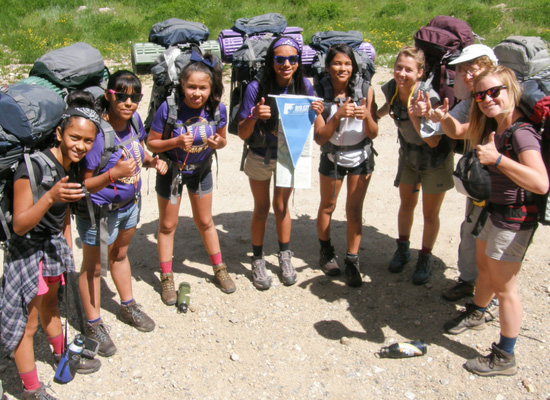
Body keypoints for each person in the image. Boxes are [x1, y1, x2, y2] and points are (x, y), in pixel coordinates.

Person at [442, 65, 548, 376]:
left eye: (494, 92)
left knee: (505, 288)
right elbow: (455, 131)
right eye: (480, 95)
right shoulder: (497, 126)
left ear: (511, 90)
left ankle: (505, 356)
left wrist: (498, 159)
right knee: (485, 266)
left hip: (516, 217)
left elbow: (541, 183)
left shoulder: (521, 133)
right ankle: (477, 312)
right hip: (496, 210)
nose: (487, 99)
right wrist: (441, 118)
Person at [0, 92, 101, 399]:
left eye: (87, 141)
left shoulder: (68, 164)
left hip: (51, 250)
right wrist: (50, 197)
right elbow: (19, 224)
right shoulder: (31, 168)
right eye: (74, 137)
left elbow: (66, 209)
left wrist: (66, 245)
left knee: (51, 305)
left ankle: (62, 355)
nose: (80, 146)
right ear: (59, 133)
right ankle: (31, 389)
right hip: (27, 253)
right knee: (27, 325)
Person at [76, 70, 166, 357]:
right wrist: (113, 174)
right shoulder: (98, 135)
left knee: (120, 255)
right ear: (108, 95)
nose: (129, 102)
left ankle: (127, 306)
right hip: (100, 213)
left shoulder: (134, 121)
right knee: (93, 268)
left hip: (129, 207)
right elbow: (83, 184)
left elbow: (138, 148)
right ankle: (93, 323)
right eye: (121, 95)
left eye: (135, 96)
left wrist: (151, 161)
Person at [147, 52, 236, 305]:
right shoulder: (169, 107)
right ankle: (166, 276)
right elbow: (151, 142)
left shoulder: (217, 108)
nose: (197, 93)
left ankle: (219, 268)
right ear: (182, 85)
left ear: (211, 87)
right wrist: (175, 141)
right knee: (167, 226)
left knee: (206, 221)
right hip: (171, 171)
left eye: (203, 88)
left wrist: (219, 143)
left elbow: (222, 139)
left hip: (200, 171)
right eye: (191, 87)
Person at [238, 36, 317, 290]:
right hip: (260, 154)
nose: (286, 64)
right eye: (280, 59)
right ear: (271, 61)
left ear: (298, 61)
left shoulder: (304, 85)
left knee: (281, 206)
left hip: (288, 154)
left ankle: (285, 256)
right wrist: (253, 115)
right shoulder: (255, 87)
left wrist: (317, 112)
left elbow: (311, 126)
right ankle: (258, 259)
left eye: (292, 59)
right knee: (261, 208)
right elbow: (241, 132)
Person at [423, 44, 499, 302]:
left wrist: (444, 121)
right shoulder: (472, 100)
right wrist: (441, 117)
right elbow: (454, 130)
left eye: (471, 68)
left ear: (489, 64)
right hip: (481, 178)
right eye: (462, 70)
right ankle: (469, 281)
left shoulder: (503, 98)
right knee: (471, 228)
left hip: (504, 181)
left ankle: (492, 293)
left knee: (494, 236)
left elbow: (464, 130)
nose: (465, 75)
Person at [377, 45, 454, 285]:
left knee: (430, 214)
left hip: (434, 159)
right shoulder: (392, 88)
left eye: (408, 70)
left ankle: (425, 257)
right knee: (406, 205)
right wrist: (368, 115)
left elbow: (433, 141)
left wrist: (416, 116)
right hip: (408, 155)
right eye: (398, 67)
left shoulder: (427, 97)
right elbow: (388, 108)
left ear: (420, 73)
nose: (401, 73)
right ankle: (402, 249)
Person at [313, 43, 378, 287]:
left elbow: (373, 133)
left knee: (354, 209)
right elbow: (320, 137)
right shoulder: (319, 91)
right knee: (328, 206)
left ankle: (352, 260)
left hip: (361, 157)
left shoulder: (365, 90)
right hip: (332, 157)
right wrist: (338, 115)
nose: (342, 68)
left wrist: (367, 116)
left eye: (347, 63)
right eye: (337, 63)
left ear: (354, 66)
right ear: (328, 67)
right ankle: (326, 252)